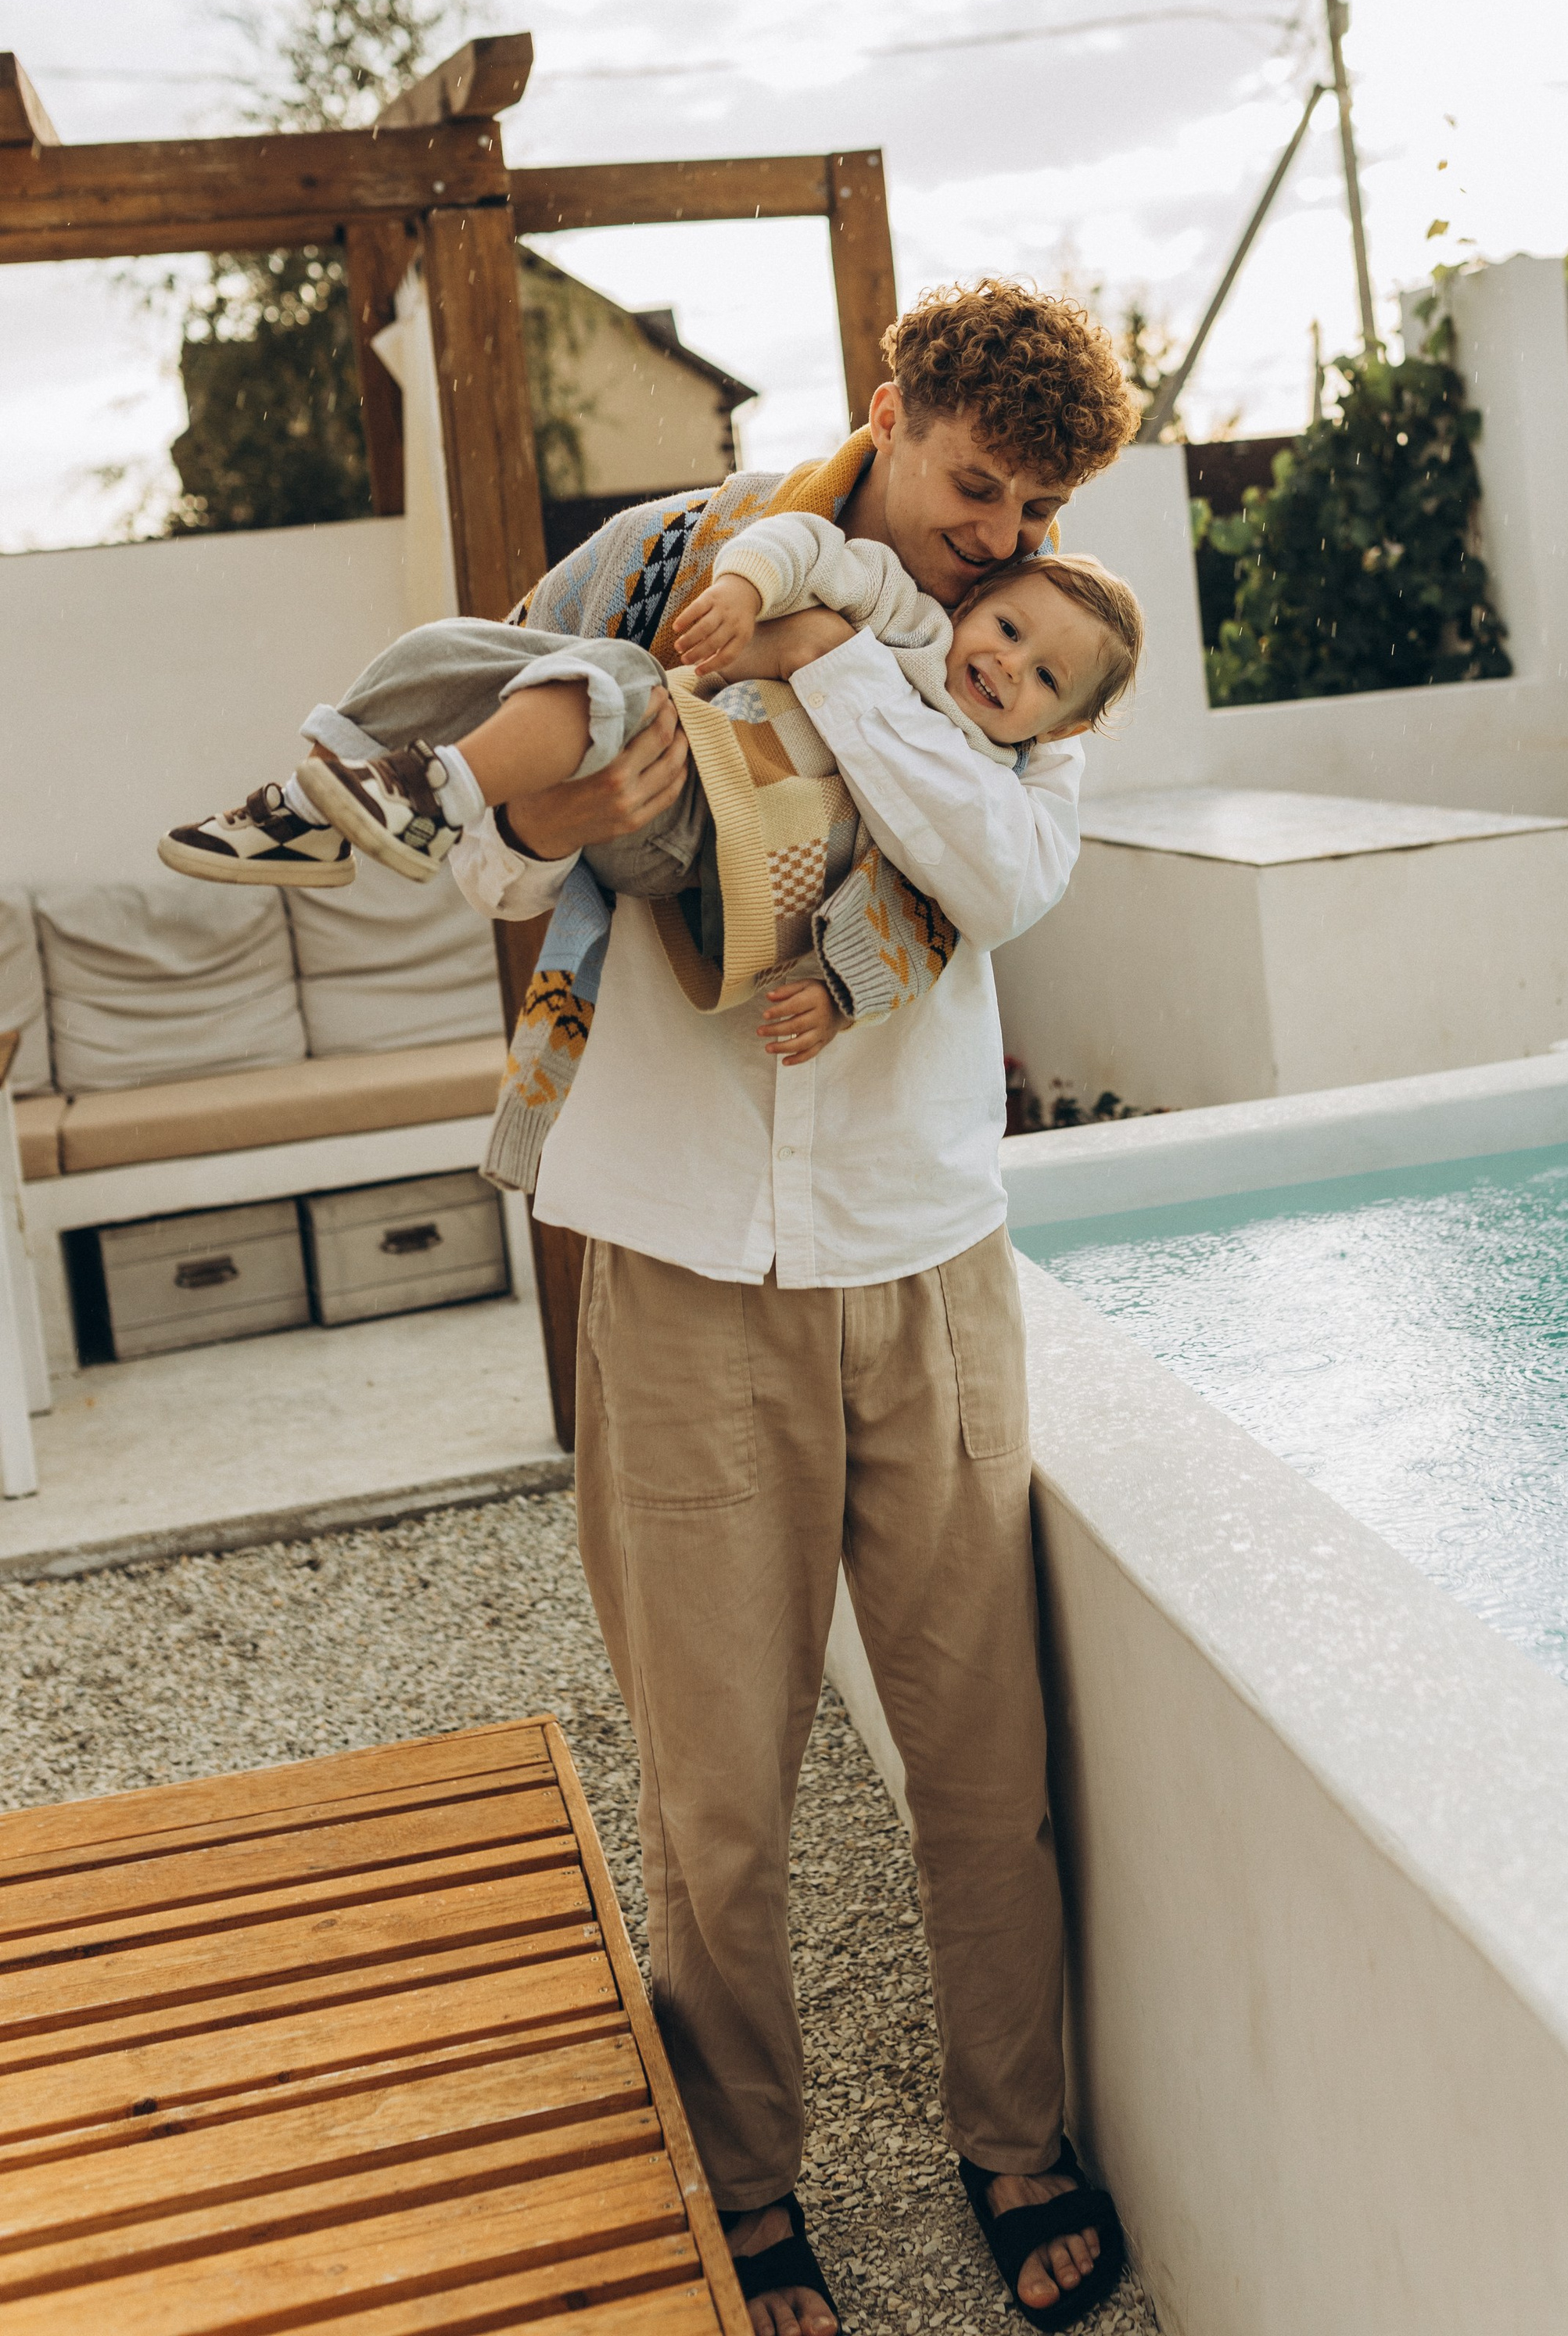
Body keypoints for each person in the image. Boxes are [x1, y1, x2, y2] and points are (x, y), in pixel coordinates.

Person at [476, 282, 1141, 2333]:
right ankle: (746, 2188)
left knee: (982, 1766)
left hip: (925, 1260)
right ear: (891, 412)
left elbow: (1001, 875)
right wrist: (581, 787)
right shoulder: (676, 565)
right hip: (676, 1261)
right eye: (973, 484)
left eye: (1029, 510)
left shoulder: (1021, 673)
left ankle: (1014, 2141)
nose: (997, 536)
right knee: (719, 1797)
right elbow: (514, 838)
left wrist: (850, 662)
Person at [157, 514, 1141, 1085]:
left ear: (1062, 728)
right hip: (663, 779)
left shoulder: (1005, 773)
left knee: (619, 679)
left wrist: (844, 991)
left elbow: (928, 916)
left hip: (713, 868)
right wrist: (754, 598)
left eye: (1047, 681)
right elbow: (805, 545)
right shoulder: (907, 615)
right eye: (1008, 628)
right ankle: (308, 804)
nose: (1010, 667)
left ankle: (434, 788)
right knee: (457, 648)